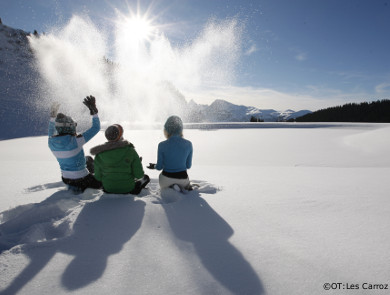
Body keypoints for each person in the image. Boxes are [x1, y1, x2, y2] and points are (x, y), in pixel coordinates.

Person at [48, 95, 102, 192]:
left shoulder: (51, 141)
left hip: (66, 179)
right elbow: (96, 128)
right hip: (83, 180)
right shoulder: (76, 141)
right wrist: (94, 112)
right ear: (70, 127)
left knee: (88, 159)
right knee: (104, 181)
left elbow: (51, 130)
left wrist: (53, 117)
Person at [90, 124, 150, 194]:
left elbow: (98, 177)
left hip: (108, 188)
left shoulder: (99, 154)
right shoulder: (131, 151)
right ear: (120, 136)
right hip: (128, 188)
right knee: (146, 178)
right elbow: (139, 175)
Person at [148, 115, 193, 191]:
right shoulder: (188, 144)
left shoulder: (162, 145)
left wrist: (154, 166)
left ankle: (171, 188)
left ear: (167, 129)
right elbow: (188, 166)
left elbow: (159, 167)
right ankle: (182, 187)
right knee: (186, 183)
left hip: (166, 180)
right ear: (181, 129)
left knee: (162, 177)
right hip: (182, 179)